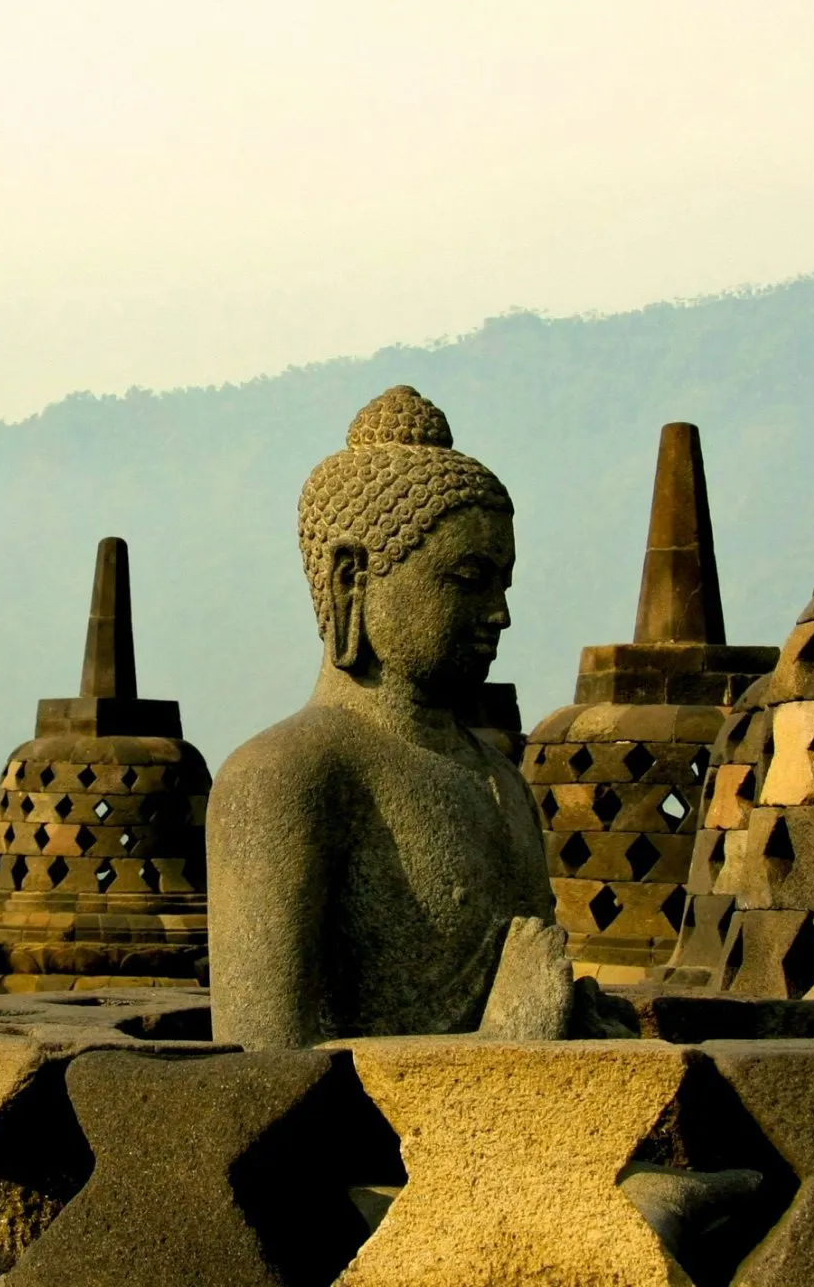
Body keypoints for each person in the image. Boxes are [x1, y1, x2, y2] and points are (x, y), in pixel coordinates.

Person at [208, 386, 561, 1049]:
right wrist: (508, 1039)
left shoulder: (499, 782)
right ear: (351, 579)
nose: (499, 614)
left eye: (503, 583)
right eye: (468, 578)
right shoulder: (284, 778)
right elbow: (259, 1074)